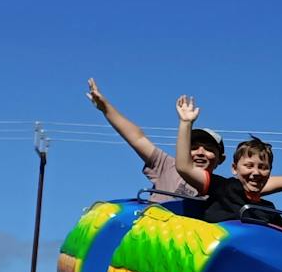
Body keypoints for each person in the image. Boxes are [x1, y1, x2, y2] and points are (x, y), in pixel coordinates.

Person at [172, 95, 282, 227]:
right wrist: (186, 123)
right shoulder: (223, 187)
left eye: (263, 168)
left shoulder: (267, 209)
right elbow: (184, 167)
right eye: (248, 166)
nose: (255, 173)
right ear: (234, 168)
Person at [86, 77, 223, 200]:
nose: (200, 152)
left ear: (220, 159)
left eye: (208, 149)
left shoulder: (223, 190)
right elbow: (138, 138)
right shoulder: (168, 166)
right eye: (193, 148)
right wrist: (106, 108)